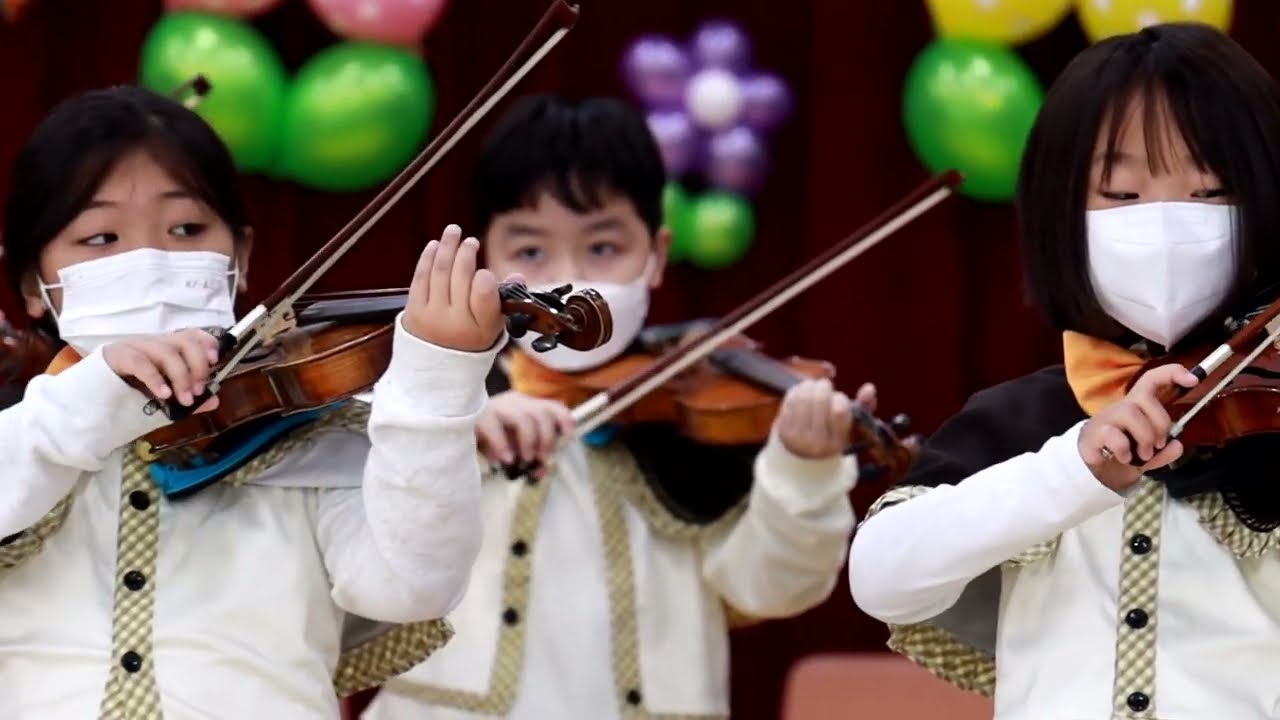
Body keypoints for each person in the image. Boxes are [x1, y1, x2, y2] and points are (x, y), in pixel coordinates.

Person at [0, 85, 509, 718]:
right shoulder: (22, 432)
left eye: (186, 228)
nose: (150, 261)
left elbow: (412, 586)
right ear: (31, 283)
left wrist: (436, 387)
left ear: (240, 256)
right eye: (101, 238)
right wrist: (99, 394)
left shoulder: (306, 424)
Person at [360, 94, 866, 719]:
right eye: (530, 251)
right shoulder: (419, 394)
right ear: (484, 259)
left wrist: (803, 469)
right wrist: (452, 419)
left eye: (602, 249)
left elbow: (769, 587)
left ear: (655, 255)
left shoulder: (694, 415)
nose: (569, 281)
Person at [848, 22, 1280, 719]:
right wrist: (1071, 472)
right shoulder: (1026, 418)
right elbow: (881, 578)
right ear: (1060, 215)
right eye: (1121, 193)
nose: (1167, 224)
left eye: (1209, 192)